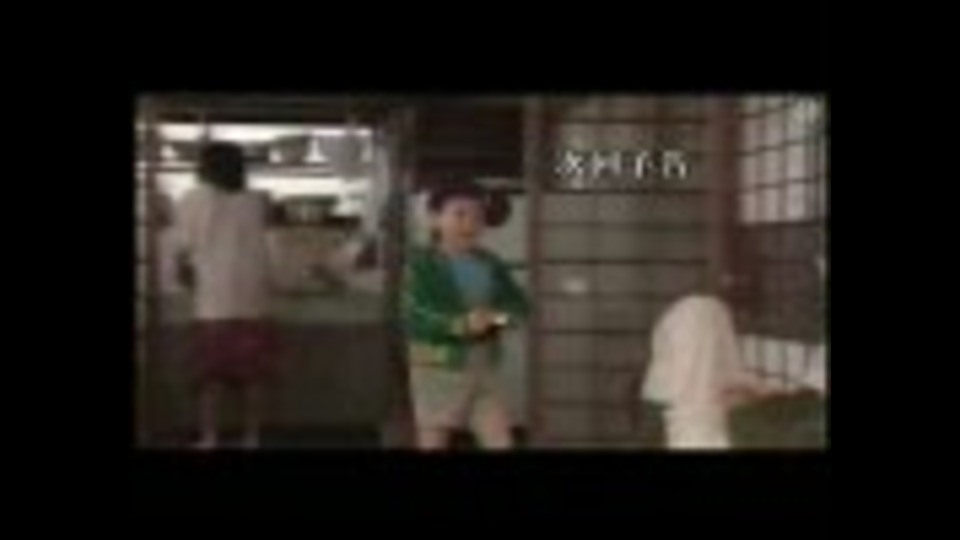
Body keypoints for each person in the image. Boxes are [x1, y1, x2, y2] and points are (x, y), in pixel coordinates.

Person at [401, 184, 529, 450]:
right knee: (434, 440)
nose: (470, 224)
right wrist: (460, 325)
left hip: (483, 364)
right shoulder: (420, 265)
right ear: (435, 218)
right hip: (436, 366)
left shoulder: (490, 262)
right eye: (459, 214)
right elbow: (414, 317)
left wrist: (496, 319)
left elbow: (520, 308)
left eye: (478, 217)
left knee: (500, 441)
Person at [172, 142, 279, 450]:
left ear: (205, 167)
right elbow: (268, 244)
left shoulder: (193, 199)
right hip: (254, 302)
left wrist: (186, 276)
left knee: (211, 378)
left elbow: (182, 251)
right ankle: (252, 438)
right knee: (252, 378)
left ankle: (210, 438)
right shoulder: (257, 201)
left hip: (214, 304)